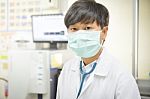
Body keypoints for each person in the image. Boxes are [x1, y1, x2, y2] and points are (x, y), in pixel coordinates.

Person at [56, 0, 141, 99]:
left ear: (104, 32)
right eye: (74, 29)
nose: (80, 35)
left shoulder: (121, 76)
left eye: (87, 28)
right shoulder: (67, 69)